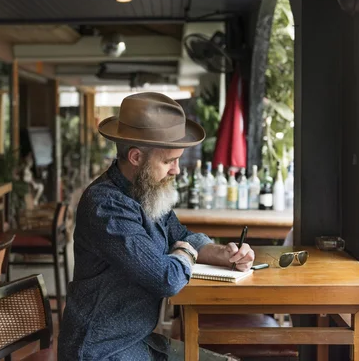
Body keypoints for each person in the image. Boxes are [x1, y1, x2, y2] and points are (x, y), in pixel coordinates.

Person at [58, 92, 255, 361]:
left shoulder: (147, 191)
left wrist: (223, 254)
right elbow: (165, 278)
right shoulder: (105, 205)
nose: (176, 170)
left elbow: (181, 237)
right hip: (101, 348)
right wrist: (185, 254)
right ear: (136, 157)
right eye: (168, 161)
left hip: (137, 339)